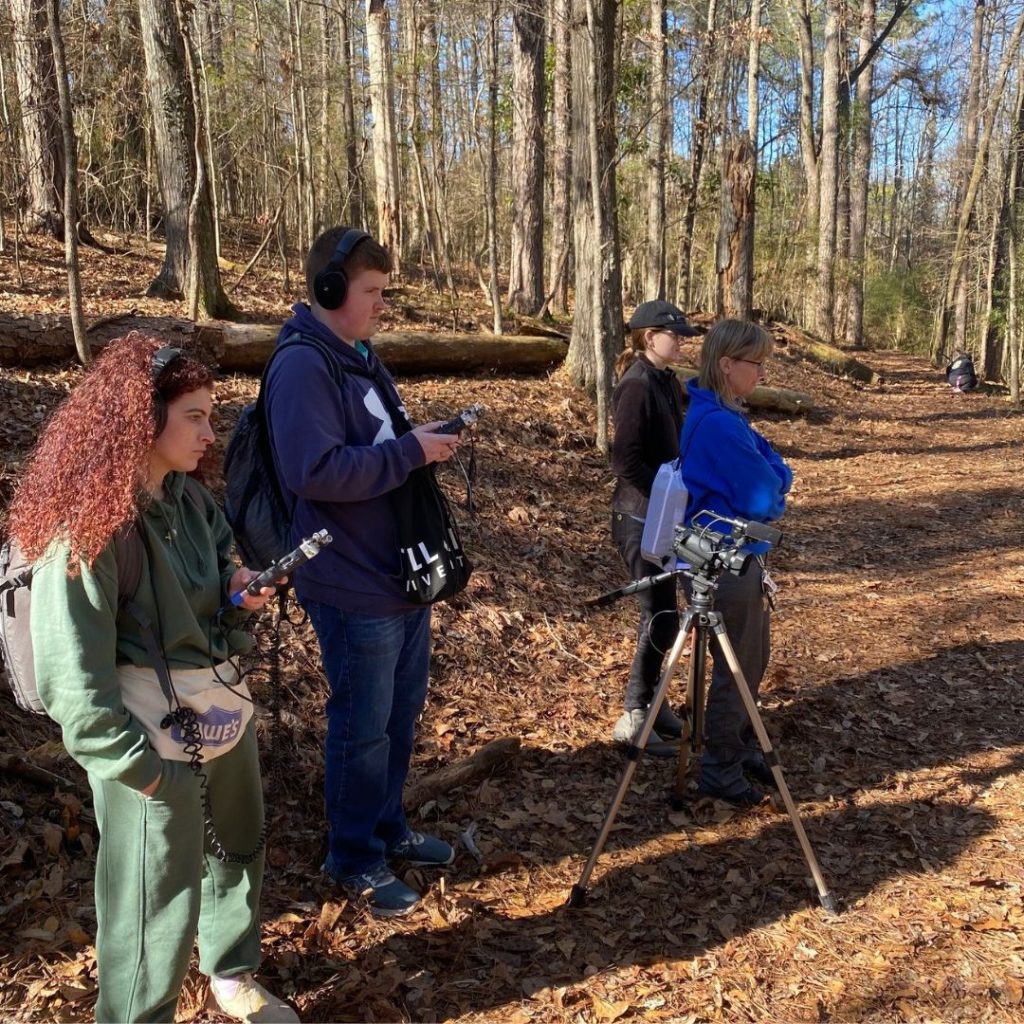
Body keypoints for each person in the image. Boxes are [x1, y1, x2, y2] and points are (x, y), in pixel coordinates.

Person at [6, 334, 298, 1023]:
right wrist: (144, 774)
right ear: (142, 419)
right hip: (147, 742)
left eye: (209, 413)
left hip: (219, 711)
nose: (209, 431)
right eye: (193, 415)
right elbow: (73, 682)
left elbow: (219, 566)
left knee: (238, 848)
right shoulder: (88, 531)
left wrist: (239, 587)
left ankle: (231, 972)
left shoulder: (190, 503)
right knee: (148, 902)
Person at [263, 226, 460, 918]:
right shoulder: (301, 367)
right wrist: (411, 453)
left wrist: (423, 440)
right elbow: (312, 470)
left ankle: (388, 829)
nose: (381, 305)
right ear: (329, 290)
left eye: (383, 291)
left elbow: (376, 445)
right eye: (371, 292)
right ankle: (353, 858)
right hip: (349, 579)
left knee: (399, 715)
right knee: (363, 724)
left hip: (396, 574)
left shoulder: (358, 356)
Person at [679, 319, 792, 808]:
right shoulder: (720, 422)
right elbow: (767, 494)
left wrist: (777, 473)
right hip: (724, 558)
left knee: (753, 657)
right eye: (756, 363)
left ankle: (738, 745)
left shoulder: (729, 414)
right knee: (737, 666)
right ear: (727, 364)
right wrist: (779, 479)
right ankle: (720, 768)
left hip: (740, 556)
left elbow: (774, 465)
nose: (762, 372)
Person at [609, 300, 699, 754]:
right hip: (638, 518)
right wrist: (666, 494)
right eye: (675, 334)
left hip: (662, 516)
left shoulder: (665, 381)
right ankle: (633, 716)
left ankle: (652, 702)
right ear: (650, 338)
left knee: (667, 615)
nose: (681, 340)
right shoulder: (637, 385)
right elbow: (623, 459)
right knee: (659, 614)